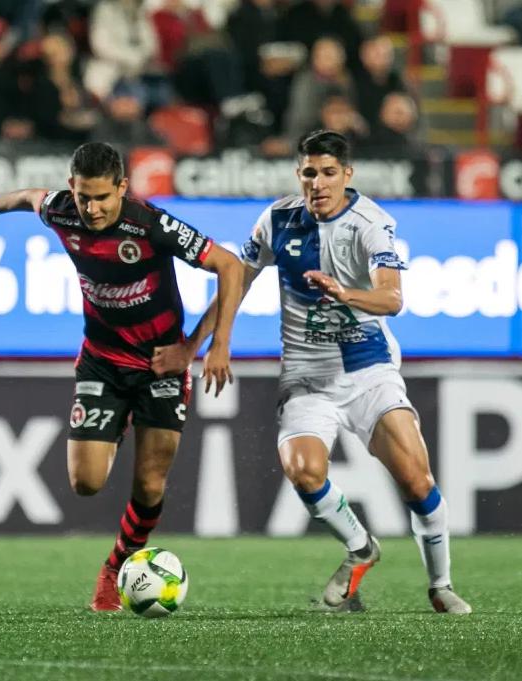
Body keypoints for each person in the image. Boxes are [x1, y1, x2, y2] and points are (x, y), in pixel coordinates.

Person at [180, 130, 472, 614]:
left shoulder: (372, 224)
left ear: (346, 175)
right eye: (309, 172)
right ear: (299, 175)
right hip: (306, 376)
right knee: (303, 468)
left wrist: (344, 293)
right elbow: (238, 280)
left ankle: (440, 585)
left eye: (329, 172)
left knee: (418, 482)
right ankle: (361, 548)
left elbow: (392, 299)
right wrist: (204, 343)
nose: (318, 182)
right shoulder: (276, 220)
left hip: (368, 371)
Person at [0, 142, 244, 611]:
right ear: (72, 188)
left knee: (150, 485)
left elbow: (231, 267)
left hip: (160, 364)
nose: (91, 209)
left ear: (122, 189)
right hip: (103, 360)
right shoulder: (61, 211)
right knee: (86, 482)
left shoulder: (151, 225)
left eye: (102, 199)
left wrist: (208, 346)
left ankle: (117, 564)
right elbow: (30, 196)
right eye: (83, 197)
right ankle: (119, 419)